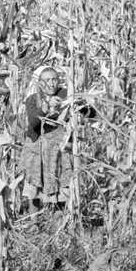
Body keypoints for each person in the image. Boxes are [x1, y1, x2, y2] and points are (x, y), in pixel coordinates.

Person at [21, 66, 93, 209]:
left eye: (54, 79)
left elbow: (90, 113)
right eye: (47, 80)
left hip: (59, 147)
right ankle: (34, 221)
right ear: (40, 83)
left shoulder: (66, 94)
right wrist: (46, 108)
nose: (52, 83)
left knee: (62, 179)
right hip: (38, 147)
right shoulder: (33, 99)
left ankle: (60, 217)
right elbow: (34, 124)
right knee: (35, 182)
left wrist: (80, 104)